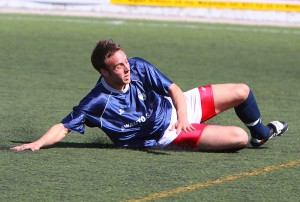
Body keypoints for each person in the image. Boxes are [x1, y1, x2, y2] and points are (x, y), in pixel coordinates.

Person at [11, 39, 288, 152]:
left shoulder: (139, 66)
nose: (126, 67)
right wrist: (37, 143)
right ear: (103, 72)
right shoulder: (97, 101)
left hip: (178, 111)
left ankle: (261, 132)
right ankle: (249, 135)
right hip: (166, 135)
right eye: (118, 66)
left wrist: (182, 116)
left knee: (242, 91)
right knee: (237, 139)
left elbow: (175, 90)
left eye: (125, 60)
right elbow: (64, 126)